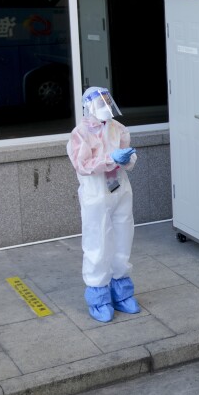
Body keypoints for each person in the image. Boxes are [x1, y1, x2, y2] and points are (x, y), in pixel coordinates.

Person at [67, 87, 140, 322]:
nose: (106, 106)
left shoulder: (118, 129)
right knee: (97, 241)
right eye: (101, 102)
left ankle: (121, 292)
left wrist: (128, 159)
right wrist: (110, 159)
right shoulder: (80, 134)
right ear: (89, 106)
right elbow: (83, 165)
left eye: (108, 101)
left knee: (122, 237)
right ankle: (98, 297)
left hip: (120, 189)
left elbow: (128, 158)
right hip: (96, 193)